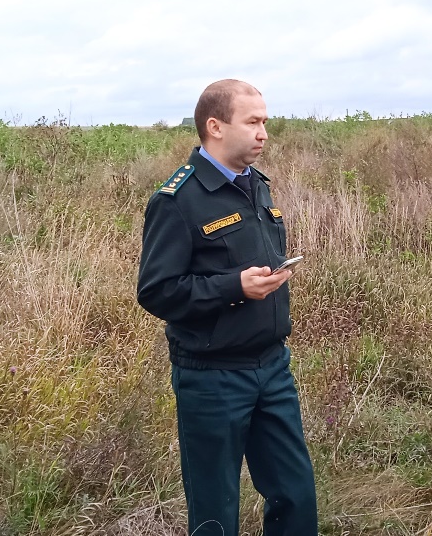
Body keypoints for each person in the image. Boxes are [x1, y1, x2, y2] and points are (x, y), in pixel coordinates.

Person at [137, 79, 318, 535]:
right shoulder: (177, 200)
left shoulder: (257, 187)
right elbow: (157, 290)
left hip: (273, 367)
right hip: (212, 377)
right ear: (215, 127)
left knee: (295, 494)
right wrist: (233, 287)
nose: (263, 133)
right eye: (253, 122)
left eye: (265, 123)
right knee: (216, 509)